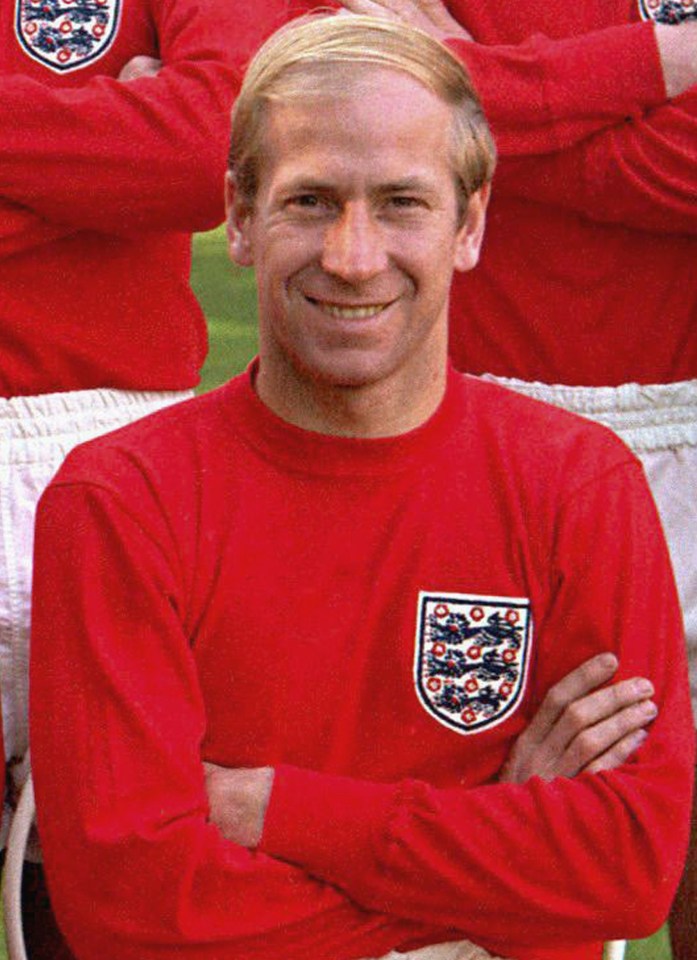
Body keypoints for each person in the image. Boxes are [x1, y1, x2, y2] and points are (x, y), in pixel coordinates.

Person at [29, 13, 694, 960]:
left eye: (400, 204)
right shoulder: (120, 501)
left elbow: (627, 870)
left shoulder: (579, 486)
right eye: (308, 202)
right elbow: (132, 912)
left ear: (468, 225)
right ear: (240, 221)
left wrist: (279, 812)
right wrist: (498, 858)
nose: (352, 255)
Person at [334, 2, 697, 955]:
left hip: (685, 412)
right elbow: (342, 120)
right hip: (462, 428)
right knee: (492, 851)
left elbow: (402, 130)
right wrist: (660, 60)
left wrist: (465, 98)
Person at [1, 0, 315, 953]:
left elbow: (219, 141)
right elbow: (171, 155)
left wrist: (166, 151)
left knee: (115, 889)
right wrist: (102, 146)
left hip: (109, 461)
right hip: (119, 442)